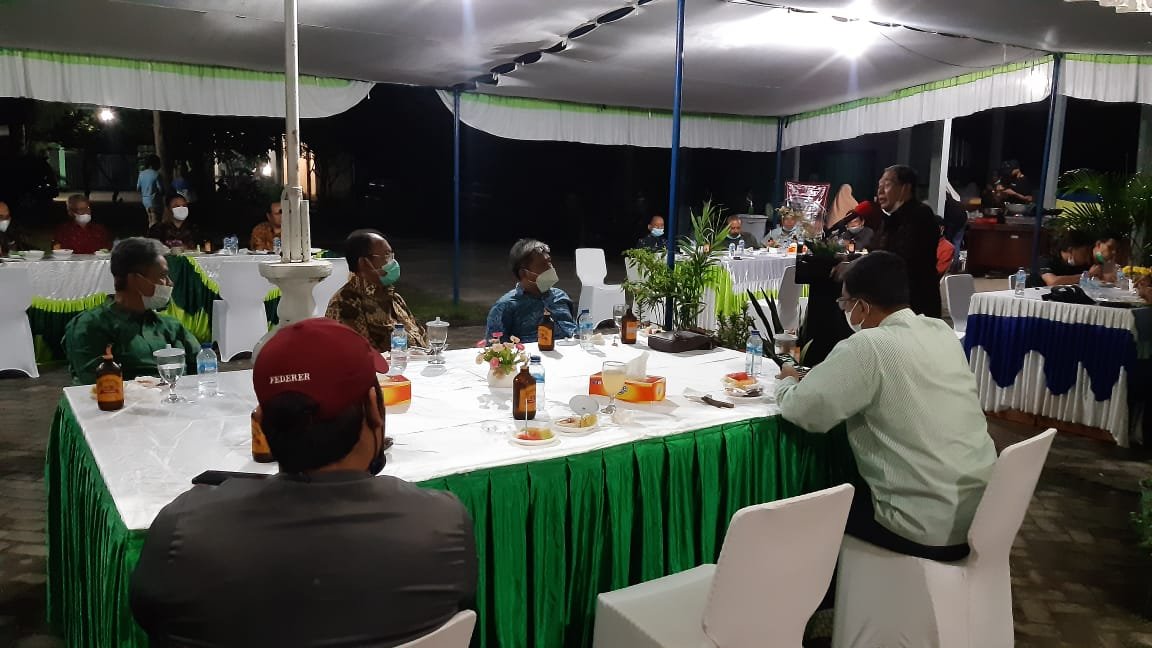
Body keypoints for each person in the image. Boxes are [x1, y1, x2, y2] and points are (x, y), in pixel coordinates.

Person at [130, 318, 477, 647]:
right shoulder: (443, 523)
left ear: (261, 423)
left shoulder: (183, 532)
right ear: (375, 409)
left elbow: (151, 619)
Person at [776, 251, 996, 561]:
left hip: (921, 524)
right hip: (982, 515)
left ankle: (817, 588)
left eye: (845, 304)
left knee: (810, 509)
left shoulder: (869, 345)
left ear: (862, 307)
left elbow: (805, 411)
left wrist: (786, 380)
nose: (844, 312)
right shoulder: (940, 332)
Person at [63, 238, 199, 385]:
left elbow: (203, 369)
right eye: (162, 276)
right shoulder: (90, 326)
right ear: (135, 279)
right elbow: (99, 388)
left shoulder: (170, 326)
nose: (170, 283)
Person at [325, 229, 428, 352]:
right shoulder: (345, 302)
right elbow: (356, 354)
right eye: (386, 256)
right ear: (364, 263)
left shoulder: (394, 298)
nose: (393, 262)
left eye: (391, 255)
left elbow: (421, 340)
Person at [873, 165, 942, 318]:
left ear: (905, 188)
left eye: (887, 185)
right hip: (894, 301)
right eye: (879, 186)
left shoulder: (921, 214)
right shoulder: (889, 218)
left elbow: (902, 258)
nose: (880, 191)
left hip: (916, 304)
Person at [486, 238, 577, 342]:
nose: (550, 268)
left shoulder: (561, 296)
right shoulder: (505, 307)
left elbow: (575, 331)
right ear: (524, 273)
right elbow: (495, 347)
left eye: (549, 262)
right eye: (543, 265)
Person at [1028, 231, 1115, 287]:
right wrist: (1087, 275)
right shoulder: (1046, 260)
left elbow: (1103, 281)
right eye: (1084, 252)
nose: (1087, 256)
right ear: (1071, 250)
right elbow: (1052, 282)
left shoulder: (1082, 266)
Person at [137, 155, 162, 228]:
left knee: (150, 220)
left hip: (145, 202)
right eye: (158, 163)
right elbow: (161, 189)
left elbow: (138, 188)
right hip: (155, 202)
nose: (159, 165)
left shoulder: (141, 174)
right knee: (156, 222)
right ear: (153, 164)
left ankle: (150, 233)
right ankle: (154, 234)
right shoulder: (157, 174)